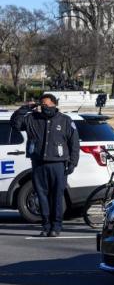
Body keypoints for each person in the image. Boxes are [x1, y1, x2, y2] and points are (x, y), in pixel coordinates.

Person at [11, 94, 79, 237]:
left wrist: (73, 163)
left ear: (54, 105)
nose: (44, 108)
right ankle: (46, 225)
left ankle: (56, 226)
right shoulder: (32, 119)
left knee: (57, 196)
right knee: (41, 196)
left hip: (58, 164)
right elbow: (15, 123)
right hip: (38, 163)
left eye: (47, 105)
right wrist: (25, 108)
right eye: (42, 105)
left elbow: (74, 144)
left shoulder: (65, 121)